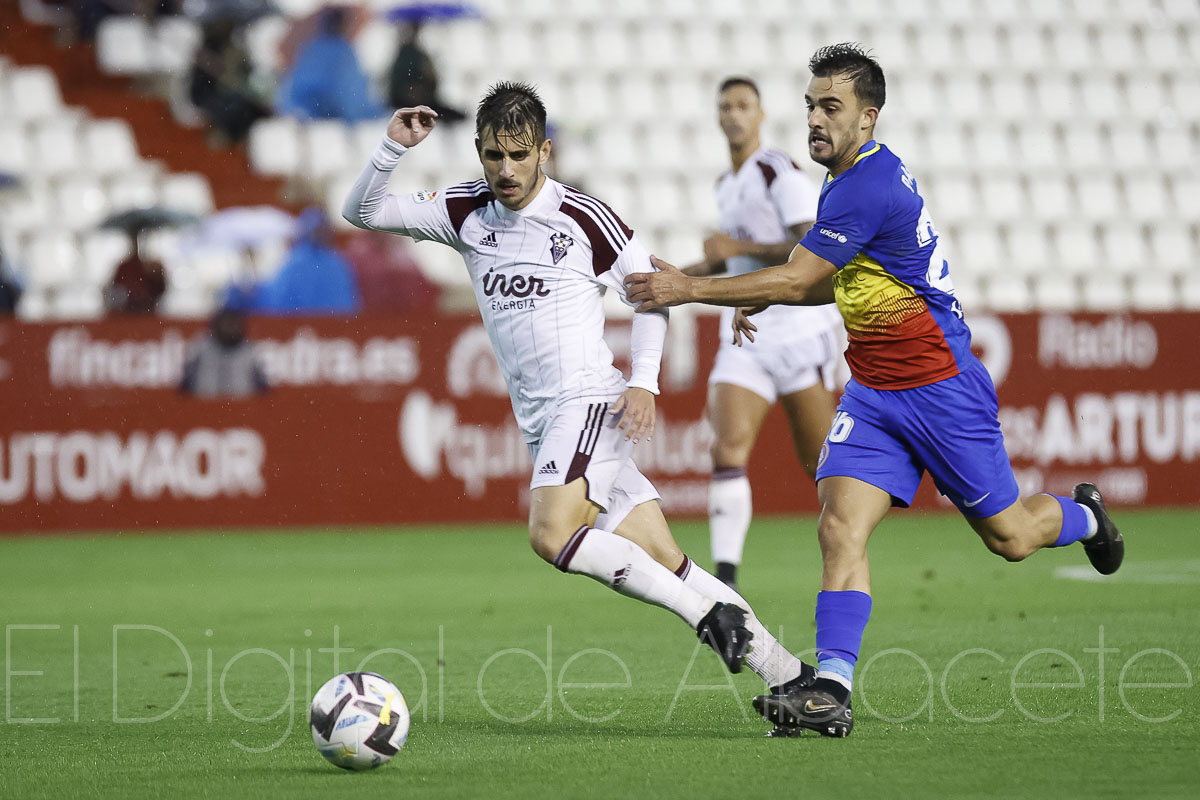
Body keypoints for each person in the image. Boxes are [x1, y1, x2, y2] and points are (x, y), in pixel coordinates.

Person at [624, 43, 1124, 738]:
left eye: (831, 107)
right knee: (838, 525)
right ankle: (831, 689)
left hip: (942, 389)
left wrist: (691, 288)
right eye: (810, 106)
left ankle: (1088, 517)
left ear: (869, 117)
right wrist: (770, 297)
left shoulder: (865, 183)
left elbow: (800, 276)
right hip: (876, 393)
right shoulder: (846, 177)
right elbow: (833, 280)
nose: (815, 120)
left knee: (1010, 537)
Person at [343, 83, 819, 697]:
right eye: (493, 156)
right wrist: (390, 148)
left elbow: (652, 295)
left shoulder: (585, 219)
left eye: (519, 155)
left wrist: (645, 383)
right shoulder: (464, 211)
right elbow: (362, 212)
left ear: (545, 151)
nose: (506, 170)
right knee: (671, 562)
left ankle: (703, 616)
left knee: (550, 533)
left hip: (590, 402)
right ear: (480, 153)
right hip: (543, 420)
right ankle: (794, 678)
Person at [682, 77, 842, 592]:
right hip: (748, 331)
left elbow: (811, 244)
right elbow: (731, 255)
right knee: (727, 449)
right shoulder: (726, 184)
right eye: (725, 105)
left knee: (825, 469)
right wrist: (667, 280)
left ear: (761, 114)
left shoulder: (775, 169)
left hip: (797, 328)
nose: (733, 114)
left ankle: (848, 551)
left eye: (743, 105)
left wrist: (733, 247)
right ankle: (725, 583)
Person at [276, 6, 383, 122]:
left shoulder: (313, 47)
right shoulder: (341, 50)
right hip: (330, 109)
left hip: (312, 108)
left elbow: (298, 82)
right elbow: (352, 86)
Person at [256, 207, 361, 315]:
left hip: (298, 328)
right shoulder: (339, 264)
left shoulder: (292, 262)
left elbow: (273, 303)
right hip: (333, 328)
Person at [385, 22, 466, 124]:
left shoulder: (419, 53)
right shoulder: (404, 55)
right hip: (408, 103)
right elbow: (398, 86)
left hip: (424, 102)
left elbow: (431, 80)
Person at [180, 307, 269, 398]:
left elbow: (263, 389)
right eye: (226, 324)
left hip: (242, 408)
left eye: (233, 324)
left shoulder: (250, 351)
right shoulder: (200, 348)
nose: (229, 328)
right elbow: (185, 385)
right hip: (203, 407)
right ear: (215, 326)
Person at [105, 233, 166, 314]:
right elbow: (116, 289)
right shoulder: (126, 266)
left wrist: (156, 275)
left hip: (144, 310)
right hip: (130, 311)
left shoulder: (150, 266)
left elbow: (159, 289)